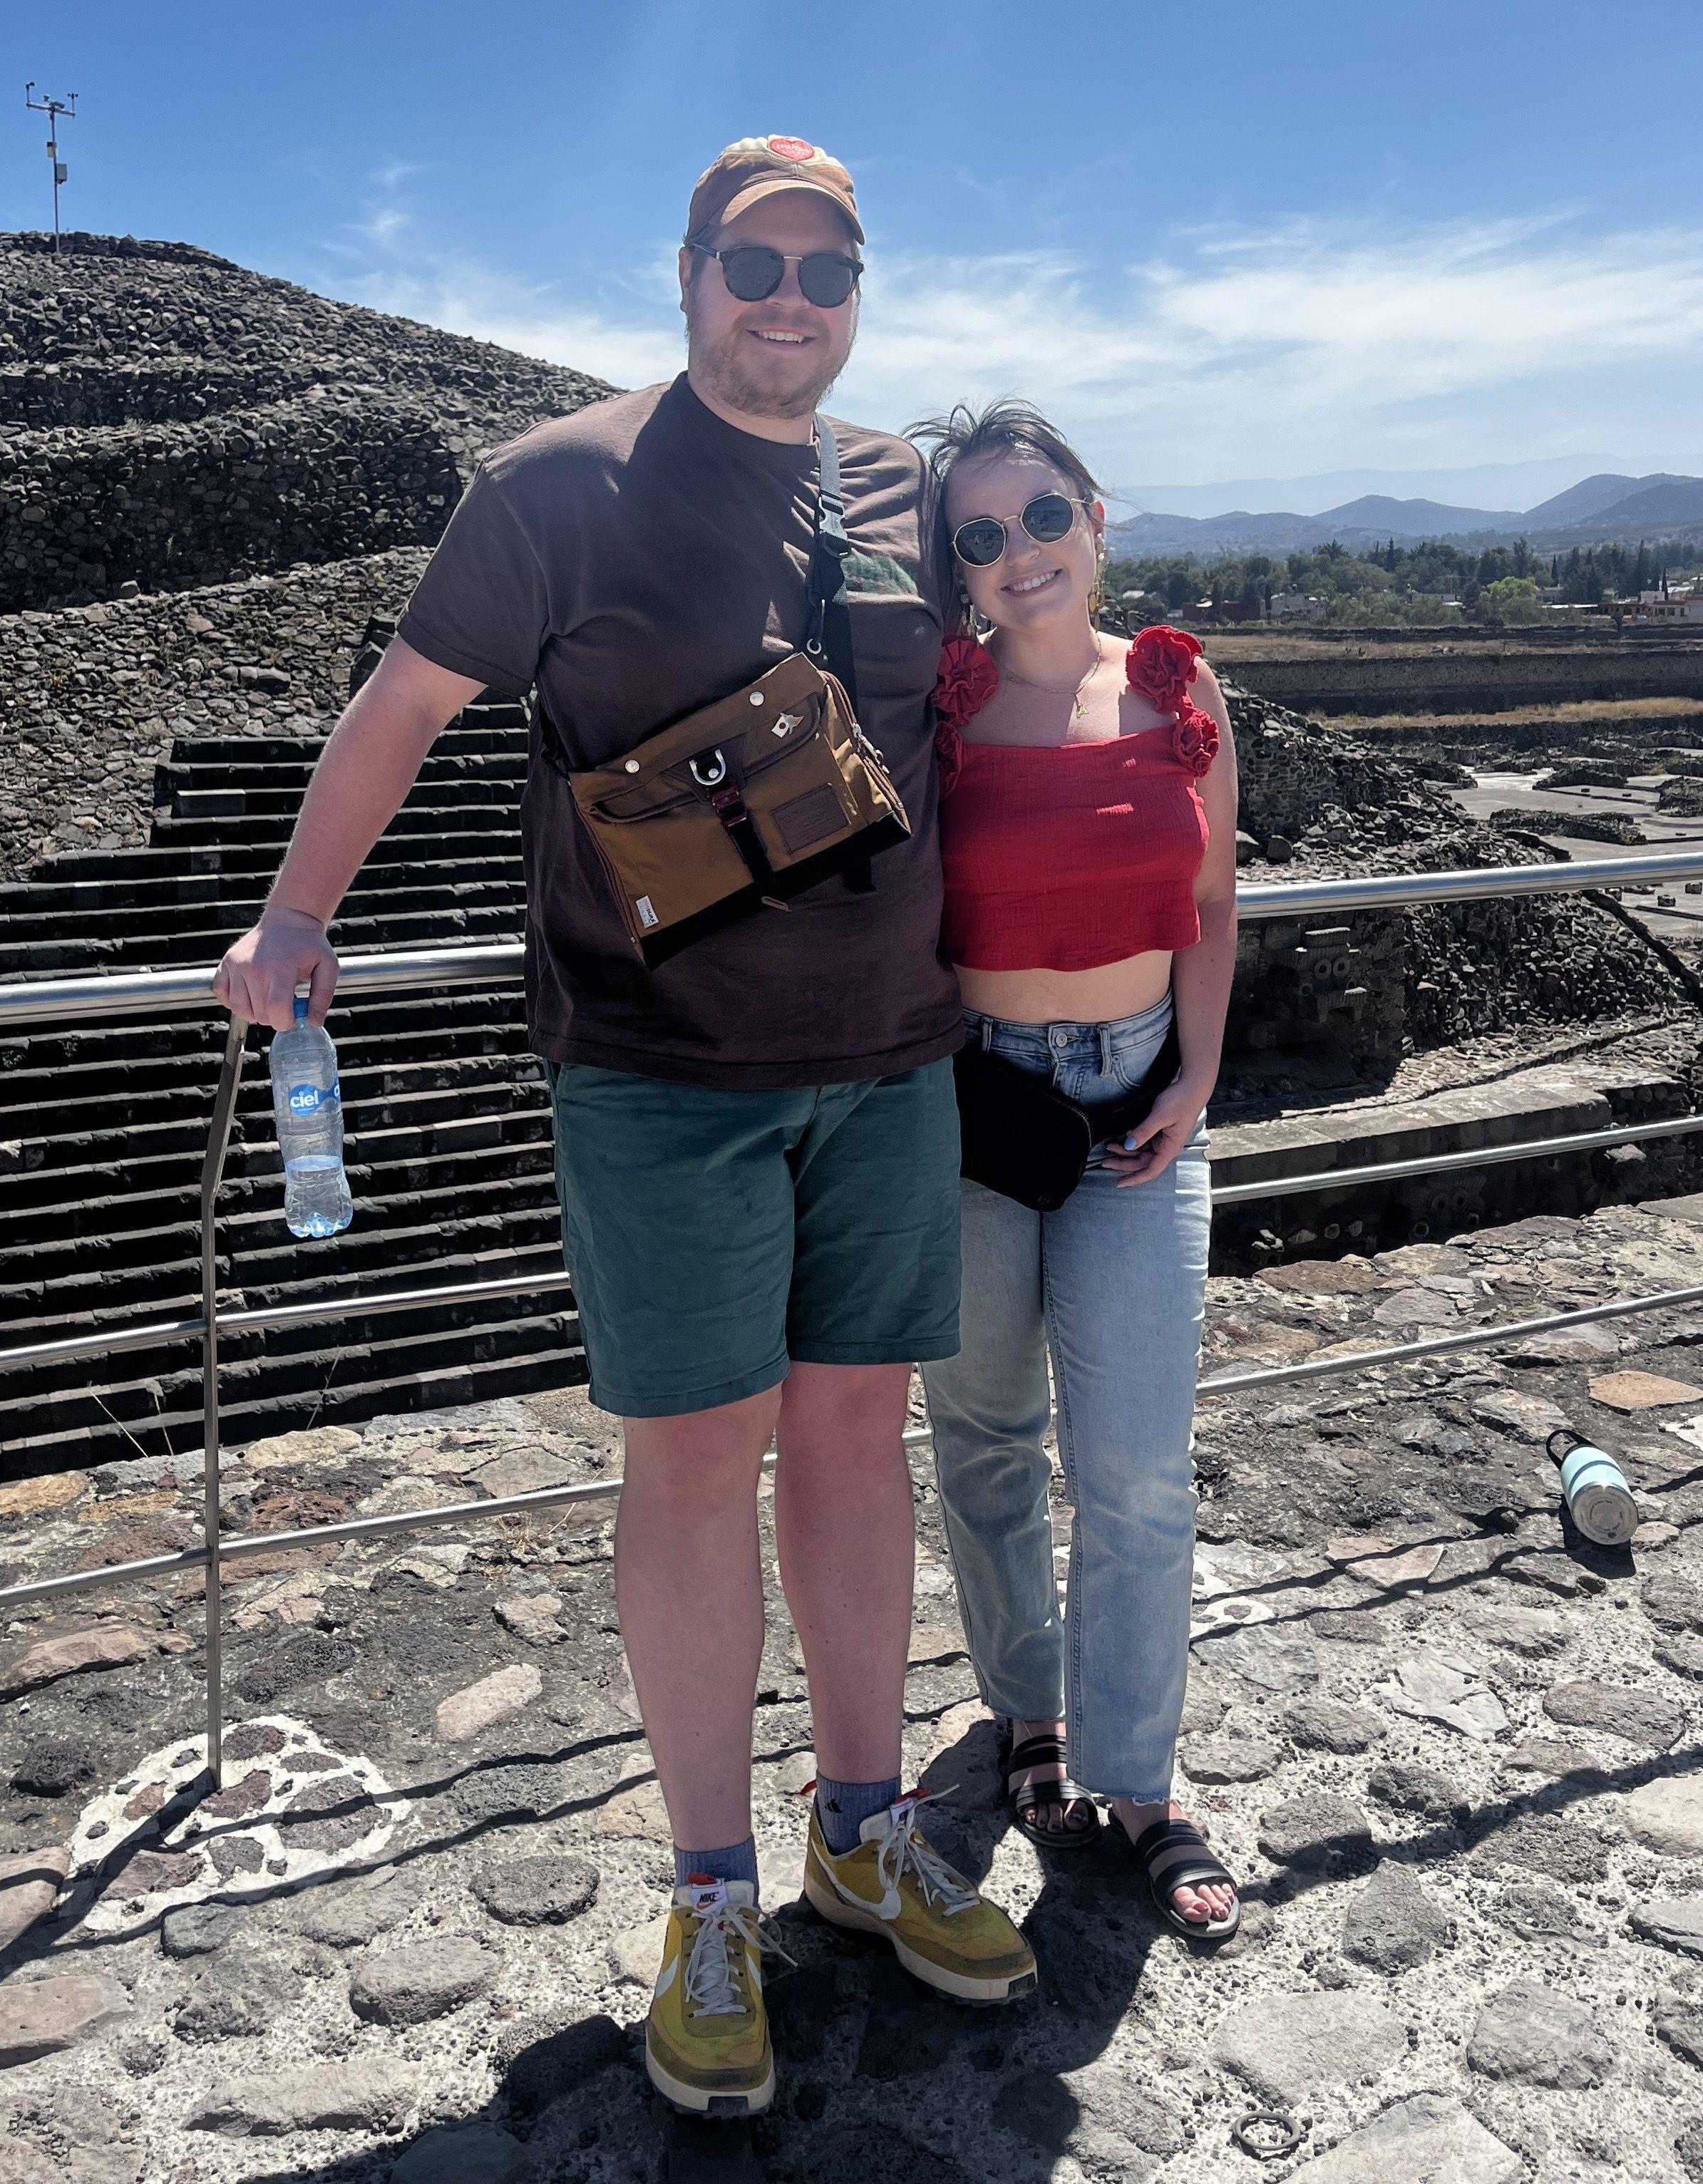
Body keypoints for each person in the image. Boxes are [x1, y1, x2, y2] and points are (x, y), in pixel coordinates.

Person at [215, 138, 1035, 2122]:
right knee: (689, 1474)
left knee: (854, 1451)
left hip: (894, 1061)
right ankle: (708, 1900)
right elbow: (402, 706)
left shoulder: (903, 492)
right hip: (663, 1078)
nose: (790, 299)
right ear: (687, 276)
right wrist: (297, 916)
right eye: (754, 261)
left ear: (859, 293)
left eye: (827, 269)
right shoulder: (556, 487)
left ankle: (857, 1828)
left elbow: (988, 714)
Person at [910, 398, 1246, 1944]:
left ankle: (1142, 1776)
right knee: (983, 1444)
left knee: (1133, 1465)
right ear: (957, 570)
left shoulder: (1180, 689)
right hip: (979, 1112)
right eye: (980, 535)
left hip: (1133, 1108)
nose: (1019, 552)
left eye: (1041, 515)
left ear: (1095, 517)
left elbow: (1212, 899)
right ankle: (1028, 1717)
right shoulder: (939, 709)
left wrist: (1197, 1070)